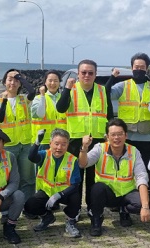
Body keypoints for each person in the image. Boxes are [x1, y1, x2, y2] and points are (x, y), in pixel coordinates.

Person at [78, 118, 150, 237]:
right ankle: (96, 220)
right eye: (113, 135)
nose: (116, 138)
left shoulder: (133, 151)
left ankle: (124, 211)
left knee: (148, 203)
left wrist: (145, 207)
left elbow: (142, 178)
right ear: (107, 136)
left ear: (126, 135)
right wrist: (84, 148)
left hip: (127, 193)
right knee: (97, 189)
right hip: (108, 194)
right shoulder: (100, 148)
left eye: (120, 134)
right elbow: (83, 164)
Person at [56, 59, 113, 210]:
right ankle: (75, 208)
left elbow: (109, 115)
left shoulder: (102, 90)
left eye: (90, 73)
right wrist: (67, 89)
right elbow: (60, 108)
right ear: (78, 74)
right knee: (76, 178)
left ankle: (92, 207)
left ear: (95, 74)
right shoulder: (71, 89)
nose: (87, 75)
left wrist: (109, 134)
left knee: (94, 177)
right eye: (83, 72)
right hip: (75, 140)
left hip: (97, 139)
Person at [105, 53, 150, 191]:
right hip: (126, 135)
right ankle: (121, 193)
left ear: (146, 68)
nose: (139, 69)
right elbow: (106, 93)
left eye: (142, 67)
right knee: (124, 166)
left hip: (145, 135)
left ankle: (147, 192)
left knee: (146, 166)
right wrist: (112, 77)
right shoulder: (123, 85)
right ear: (132, 67)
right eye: (136, 66)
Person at [0, 69, 38, 221]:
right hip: (8, 146)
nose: (12, 82)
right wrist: (5, 100)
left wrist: (21, 77)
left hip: (25, 143)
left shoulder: (24, 100)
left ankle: (30, 208)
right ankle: (8, 211)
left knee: (29, 178)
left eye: (16, 80)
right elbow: (0, 117)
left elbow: (32, 91)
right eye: (9, 79)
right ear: (4, 82)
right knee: (9, 180)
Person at [23, 128, 83, 238]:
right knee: (30, 205)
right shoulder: (44, 155)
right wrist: (37, 142)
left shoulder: (72, 159)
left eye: (63, 144)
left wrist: (58, 195)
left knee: (76, 197)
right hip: (46, 192)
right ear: (50, 143)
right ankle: (47, 217)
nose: (59, 148)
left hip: (64, 194)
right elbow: (31, 157)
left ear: (68, 145)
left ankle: (70, 222)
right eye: (56, 144)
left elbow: (75, 185)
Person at [30, 70, 66, 151]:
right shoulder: (38, 98)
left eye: (56, 81)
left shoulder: (64, 98)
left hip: (61, 141)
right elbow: (39, 114)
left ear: (59, 83)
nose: (53, 83)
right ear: (45, 82)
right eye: (50, 80)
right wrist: (42, 95)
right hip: (43, 142)